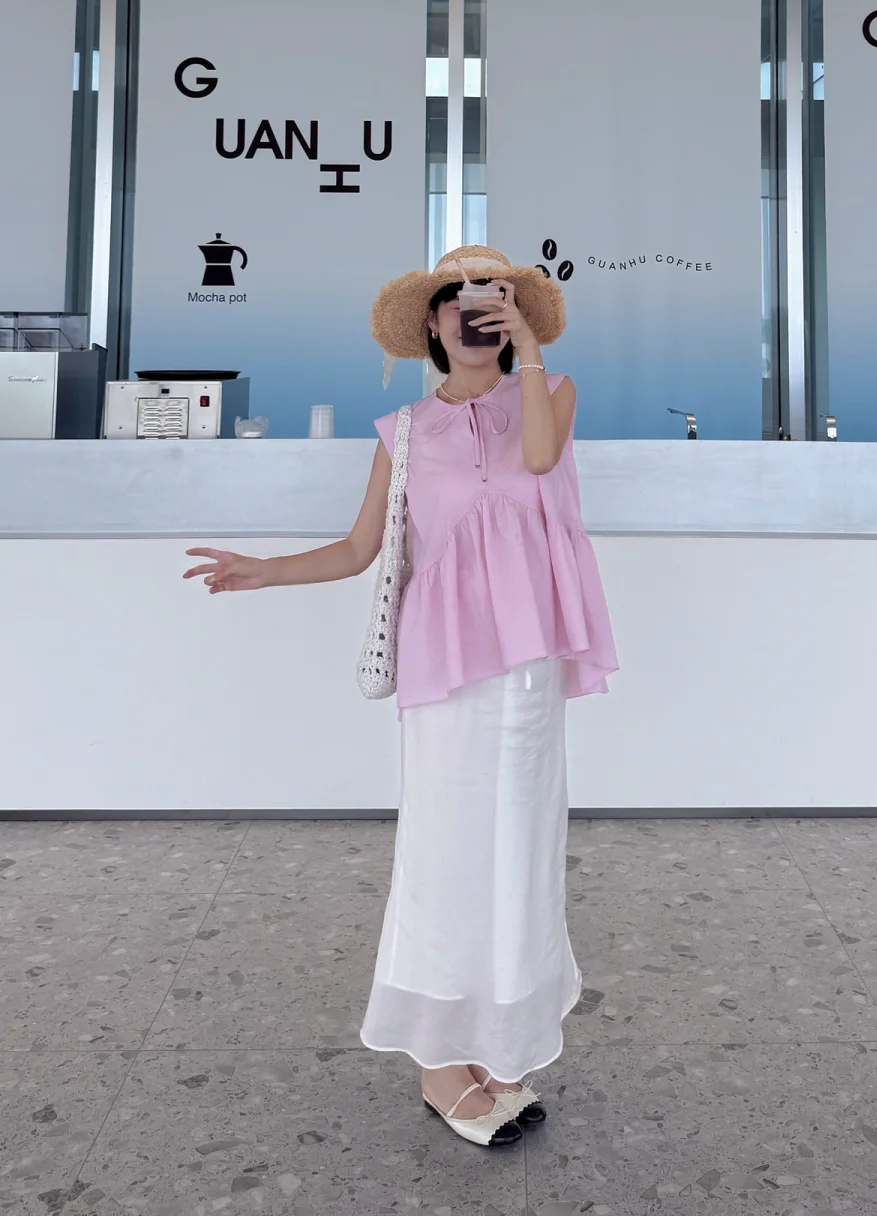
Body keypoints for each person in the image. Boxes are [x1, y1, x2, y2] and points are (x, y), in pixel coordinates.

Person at [184, 245, 618, 1150]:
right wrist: (264, 570)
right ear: (431, 321)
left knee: (522, 850)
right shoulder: (405, 431)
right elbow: (358, 550)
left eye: (495, 298)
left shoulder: (551, 392)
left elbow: (540, 458)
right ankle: (437, 1061)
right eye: (457, 298)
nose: (475, 311)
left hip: (530, 658)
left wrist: (532, 348)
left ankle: (499, 1042)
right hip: (445, 661)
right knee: (444, 852)